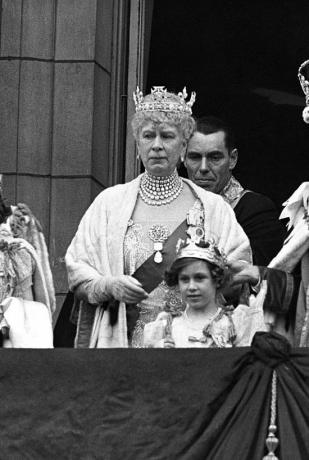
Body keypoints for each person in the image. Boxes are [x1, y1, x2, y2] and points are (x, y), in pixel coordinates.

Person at [65, 86, 251, 348]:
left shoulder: (213, 208)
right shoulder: (108, 204)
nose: (157, 146)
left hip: (194, 346)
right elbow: (77, 271)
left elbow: (240, 274)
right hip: (121, 346)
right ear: (137, 142)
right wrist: (109, 286)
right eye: (148, 136)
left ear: (184, 145)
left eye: (167, 136)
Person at [185, 116, 286, 265]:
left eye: (214, 157)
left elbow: (265, 278)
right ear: (183, 158)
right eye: (195, 157)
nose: (204, 168)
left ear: (232, 159)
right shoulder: (171, 205)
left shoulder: (256, 210)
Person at [144, 238, 266, 348]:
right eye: (185, 279)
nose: (191, 287)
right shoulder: (165, 327)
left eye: (200, 278)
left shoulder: (235, 324)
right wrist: (157, 353)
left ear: (217, 280)